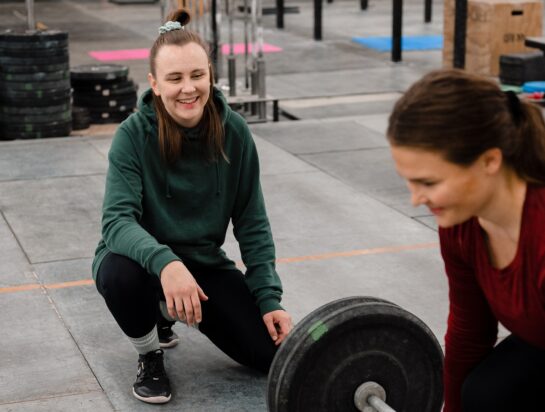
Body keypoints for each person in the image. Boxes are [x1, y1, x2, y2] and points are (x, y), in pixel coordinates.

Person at [92, 9, 292, 404]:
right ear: (154, 83)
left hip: (202, 266)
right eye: (175, 78)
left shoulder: (234, 131)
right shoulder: (132, 135)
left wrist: (269, 298)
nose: (188, 89)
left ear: (210, 76)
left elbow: (252, 220)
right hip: (141, 263)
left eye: (197, 75)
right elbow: (116, 223)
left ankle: (165, 313)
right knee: (118, 273)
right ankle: (150, 352)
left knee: (272, 356)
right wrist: (166, 263)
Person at [386, 68, 545, 412]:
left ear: (490, 161)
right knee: (483, 393)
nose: (416, 199)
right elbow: (469, 332)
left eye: (428, 183)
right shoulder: (460, 224)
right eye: (410, 182)